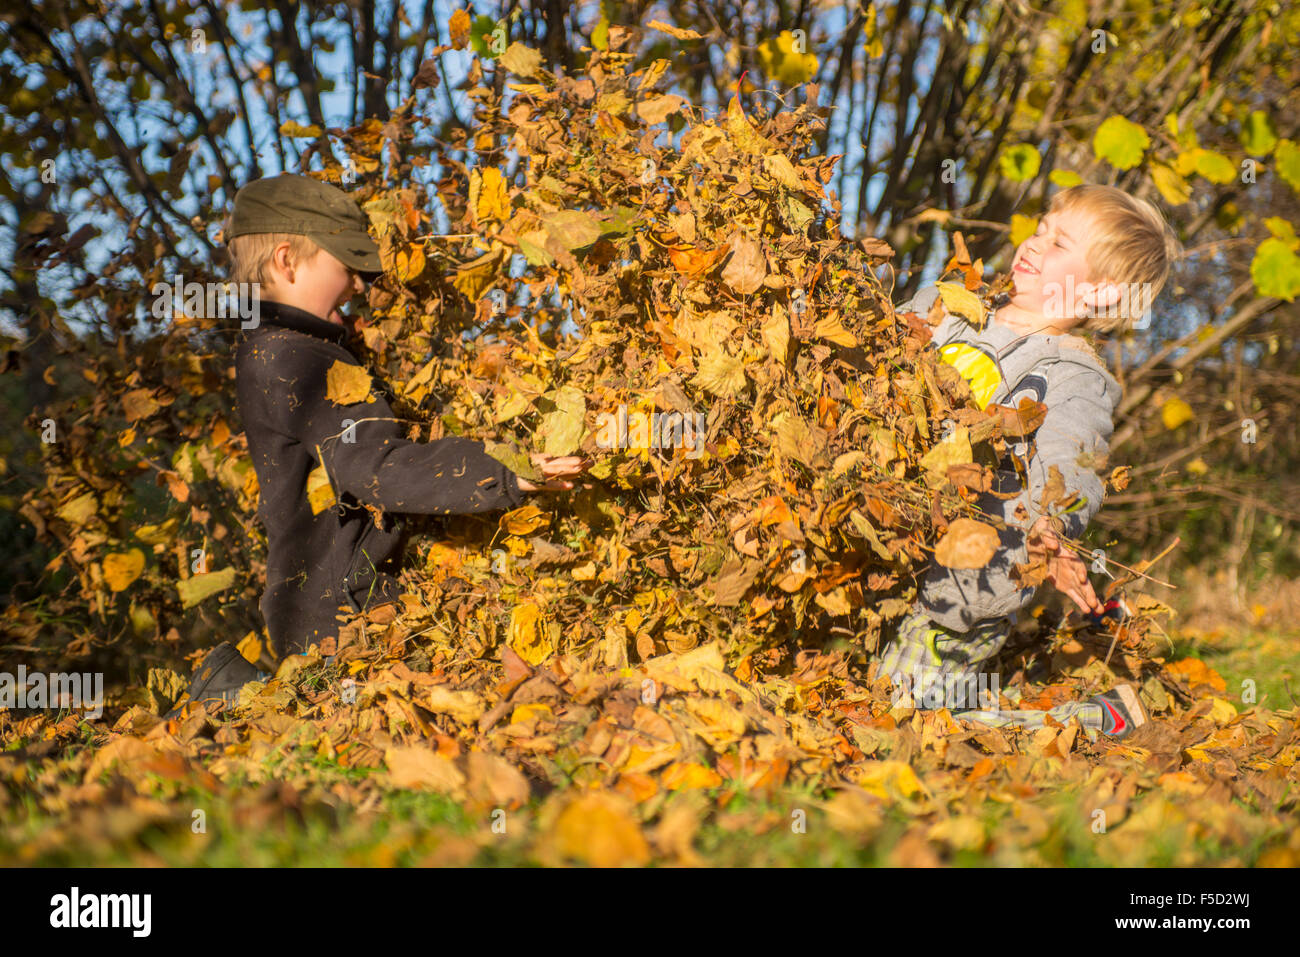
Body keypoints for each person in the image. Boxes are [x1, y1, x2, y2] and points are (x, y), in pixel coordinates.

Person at [168, 174, 584, 716]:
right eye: (346, 267)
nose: (360, 285)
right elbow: (376, 470)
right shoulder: (300, 360)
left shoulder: (270, 351)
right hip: (351, 617)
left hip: (319, 612)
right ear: (287, 262)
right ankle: (238, 698)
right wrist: (506, 471)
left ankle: (247, 698)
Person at [874, 184, 1182, 739]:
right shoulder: (943, 304)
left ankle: (1088, 720)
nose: (1034, 242)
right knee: (849, 674)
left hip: (968, 581)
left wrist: (1052, 522)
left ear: (1099, 293)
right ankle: (982, 686)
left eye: (1059, 242)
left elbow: (1072, 457)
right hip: (888, 534)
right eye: (1040, 227)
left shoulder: (1075, 379)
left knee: (908, 719)